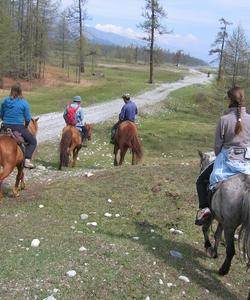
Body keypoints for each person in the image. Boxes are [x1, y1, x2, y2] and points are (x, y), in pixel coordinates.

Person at [195, 86, 250, 225]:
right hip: (247, 162)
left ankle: (205, 210)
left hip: (228, 161)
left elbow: (218, 147)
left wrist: (220, 156)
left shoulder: (224, 119)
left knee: (201, 181)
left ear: (229, 100)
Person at [0, 83, 37, 169]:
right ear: (20, 91)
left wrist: (5, 119)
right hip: (19, 127)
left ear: (11, 90)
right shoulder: (24, 103)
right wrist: (26, 125)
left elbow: (1, 114)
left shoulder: (4, 101)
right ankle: (27, 160)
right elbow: (28, 118)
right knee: (33, 142)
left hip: (5, 126)